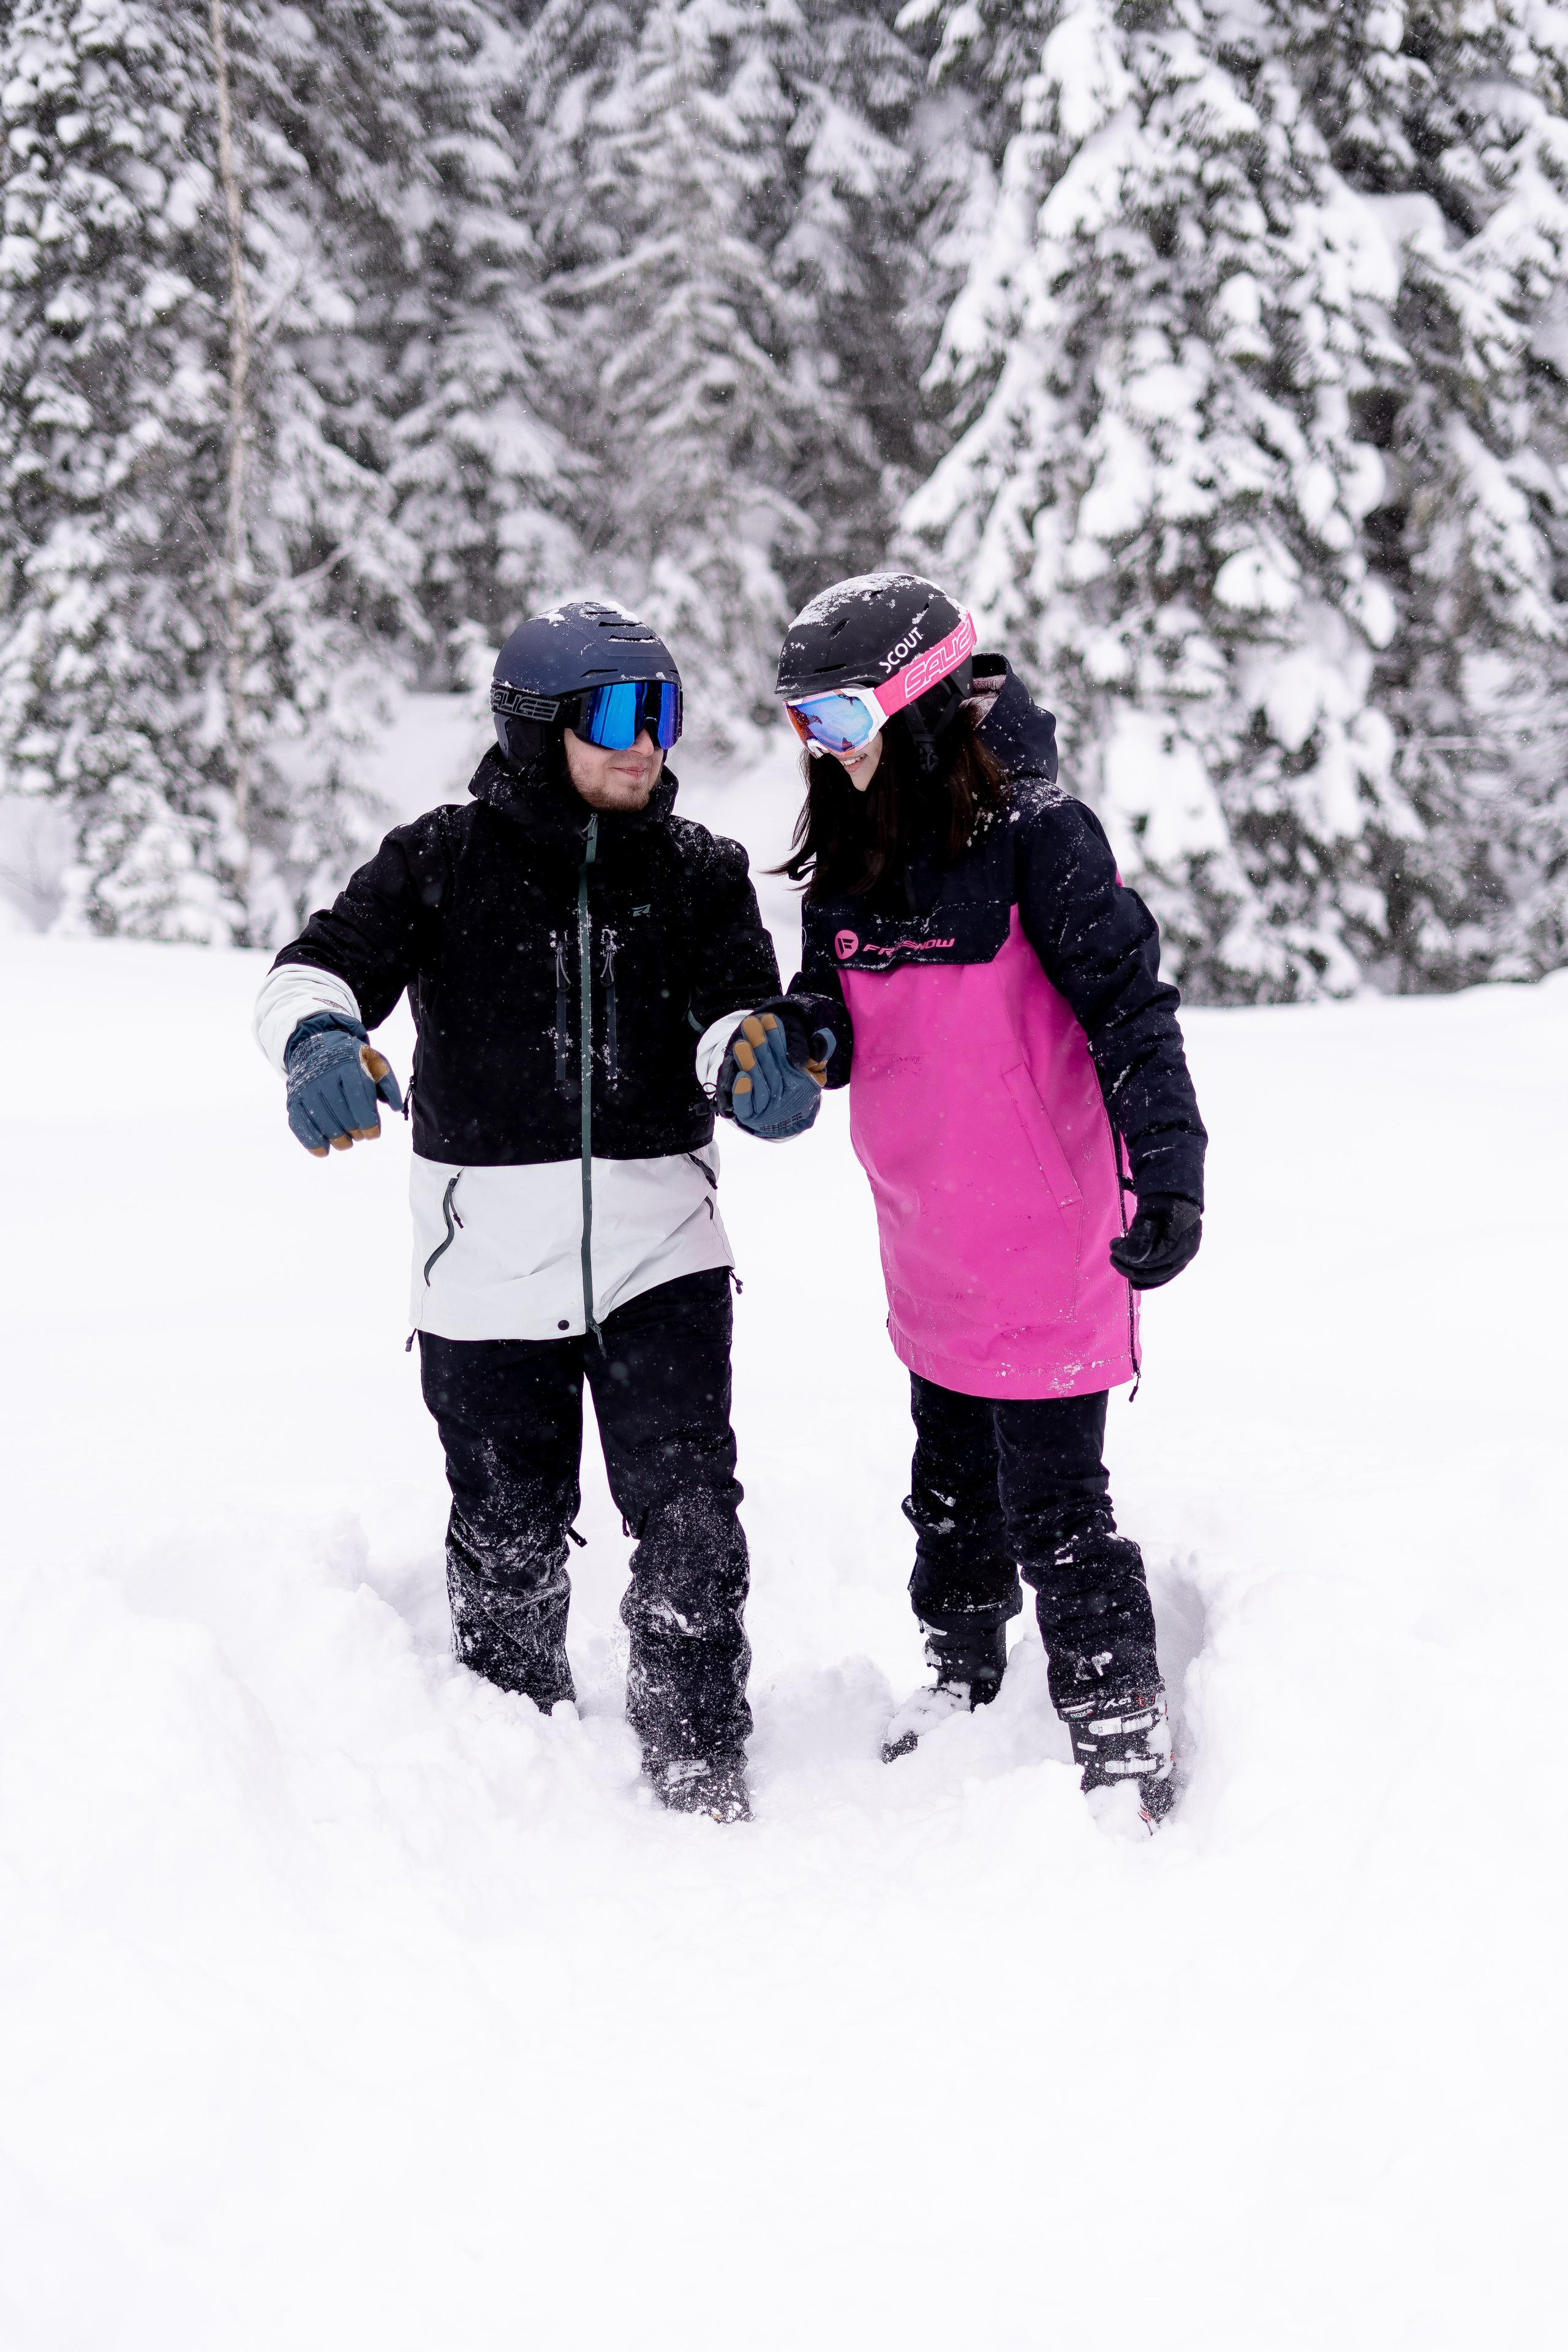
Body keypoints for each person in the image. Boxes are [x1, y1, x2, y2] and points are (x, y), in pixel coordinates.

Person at [252, 600, 829, 1822]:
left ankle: (695, 1749)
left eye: (663, 716)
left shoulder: (699, 871)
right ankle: (514, 1751)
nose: (646, 744)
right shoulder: (438, 861)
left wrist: (752, 1061)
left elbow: (738, 1005)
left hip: (660, 1250)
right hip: (483, 1268)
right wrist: (316, 1042)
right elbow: (316, 970)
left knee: (688, 1520)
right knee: (507, 1527)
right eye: (617, 716)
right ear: (535, 725)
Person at [733, 571, 1207, 1825]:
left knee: (1055, 1506)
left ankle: (1115, 1726)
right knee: (946, 1489)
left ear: (913, 701)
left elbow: (1129, 1012)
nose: (818, 751)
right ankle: (959, 1676)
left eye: (834, 720)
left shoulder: (1040, 836)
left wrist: (1168, 1172)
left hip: (1048, 1238)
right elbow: (831, 1006)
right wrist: (796, 1046)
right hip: (927, 1232)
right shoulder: (846, 856)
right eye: (801, 727)